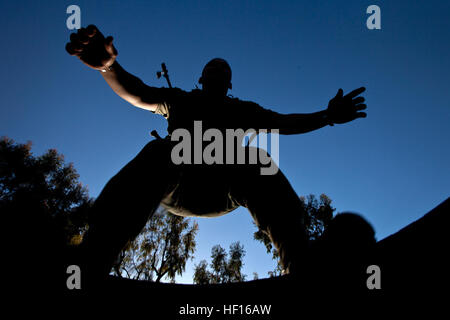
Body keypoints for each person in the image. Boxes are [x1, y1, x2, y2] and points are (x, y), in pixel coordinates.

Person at [65, 25, 367, 281]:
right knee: (162, 150)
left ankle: (301, 259)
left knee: (256, 160)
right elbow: (139, 93)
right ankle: (96, 251)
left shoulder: (242, 110)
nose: (218, 72)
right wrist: (108, 67)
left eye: (224, 71)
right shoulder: (180, 100)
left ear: (230, 83)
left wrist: (325, 116)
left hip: (223, 189)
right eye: (213, 69)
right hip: (178, 183)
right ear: (201, 78)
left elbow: (283, 123)